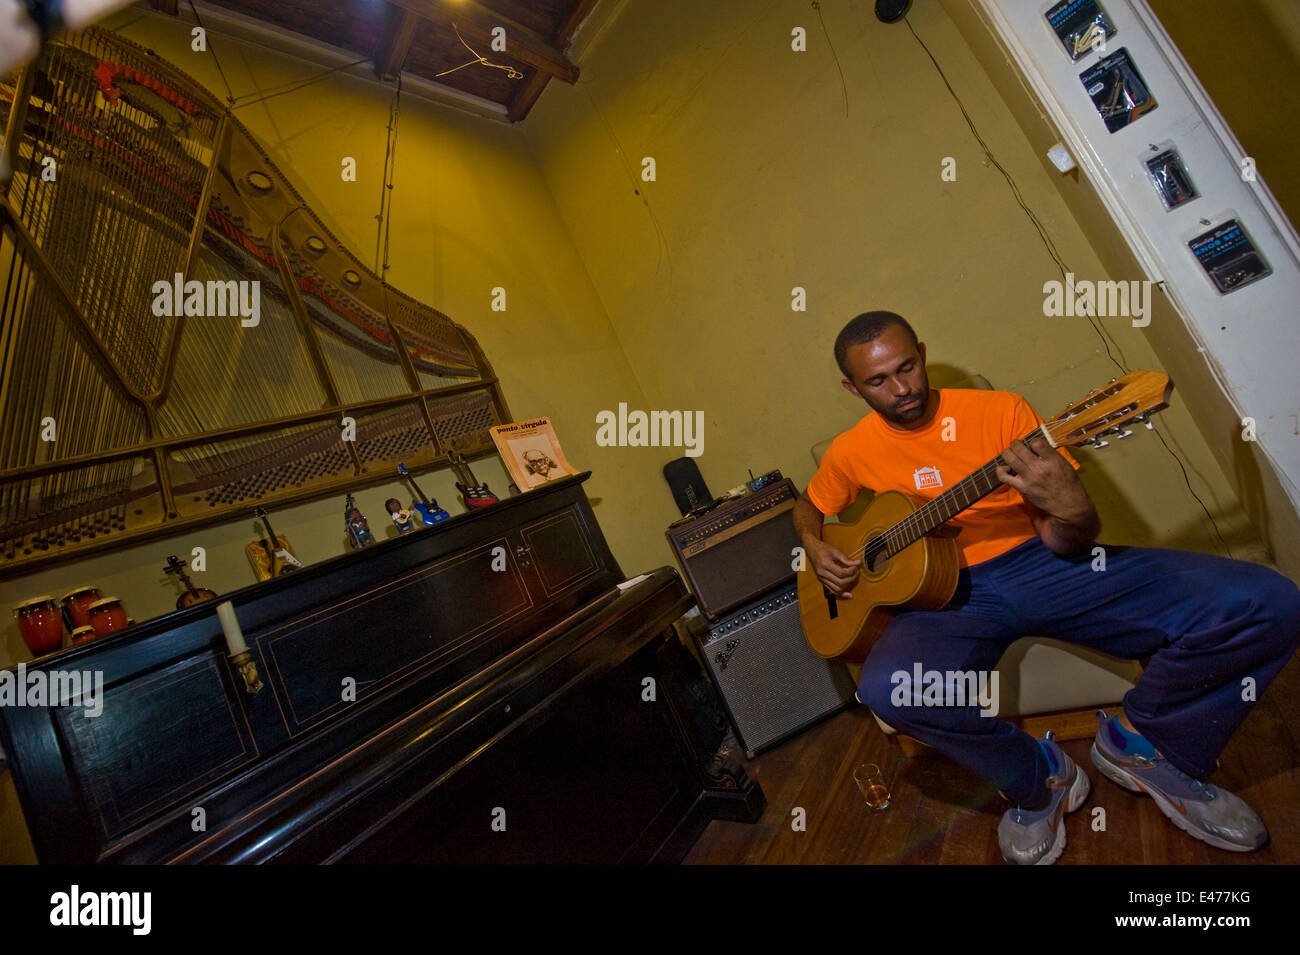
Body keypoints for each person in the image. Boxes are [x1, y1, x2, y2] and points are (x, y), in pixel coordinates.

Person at [792, 310, 1300, 865]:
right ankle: (1040, 779)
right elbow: (810, 506)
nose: (902, 388)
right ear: (852, 387)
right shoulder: (850, 450)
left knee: (1269, 602)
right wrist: (816, 547)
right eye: (878, 381)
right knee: (891, 690)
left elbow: (1067, 539)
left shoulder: (1002, 412)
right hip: (939, 599)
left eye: (908, 367)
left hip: (1040, 564)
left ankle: (1152, 746)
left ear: (921, 350)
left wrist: (1070, 502)